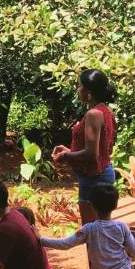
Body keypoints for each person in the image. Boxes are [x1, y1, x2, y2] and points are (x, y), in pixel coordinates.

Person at [52, 69, 118, 225]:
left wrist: (66, 156)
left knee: (91, 232)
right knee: (101, 231)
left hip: (94, 178)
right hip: (103, 172)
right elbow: (102, 150)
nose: (78, 89)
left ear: (89, 92)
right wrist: (69, 151)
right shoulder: (107, 112)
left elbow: (91, 154)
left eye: (80, 86)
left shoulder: (93, 114)